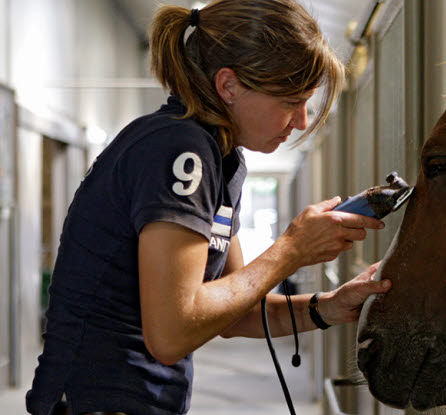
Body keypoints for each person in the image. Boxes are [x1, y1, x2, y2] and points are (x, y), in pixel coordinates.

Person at [25, 1, 391, 414]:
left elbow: (236, 312)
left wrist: (328, 307)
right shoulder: (180, 149)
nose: (301, 121)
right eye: (290, 101)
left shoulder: (223, 159)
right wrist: (291, 249)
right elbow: (171, 334)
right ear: (228, 86)